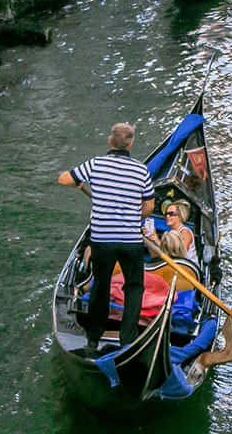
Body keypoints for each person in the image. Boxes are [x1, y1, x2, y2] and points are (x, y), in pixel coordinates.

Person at [58, 121, 155, 353]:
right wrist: (133, 216)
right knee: (134, 288)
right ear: (131, 144)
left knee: (100, 286)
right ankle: (128, 340)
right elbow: (149, 205)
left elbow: (64, 179)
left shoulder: (95, 164)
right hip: (131, 241)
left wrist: (76, 181)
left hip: (102, 240)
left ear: (110, 141)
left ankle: (93, 338)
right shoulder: (141, 170)